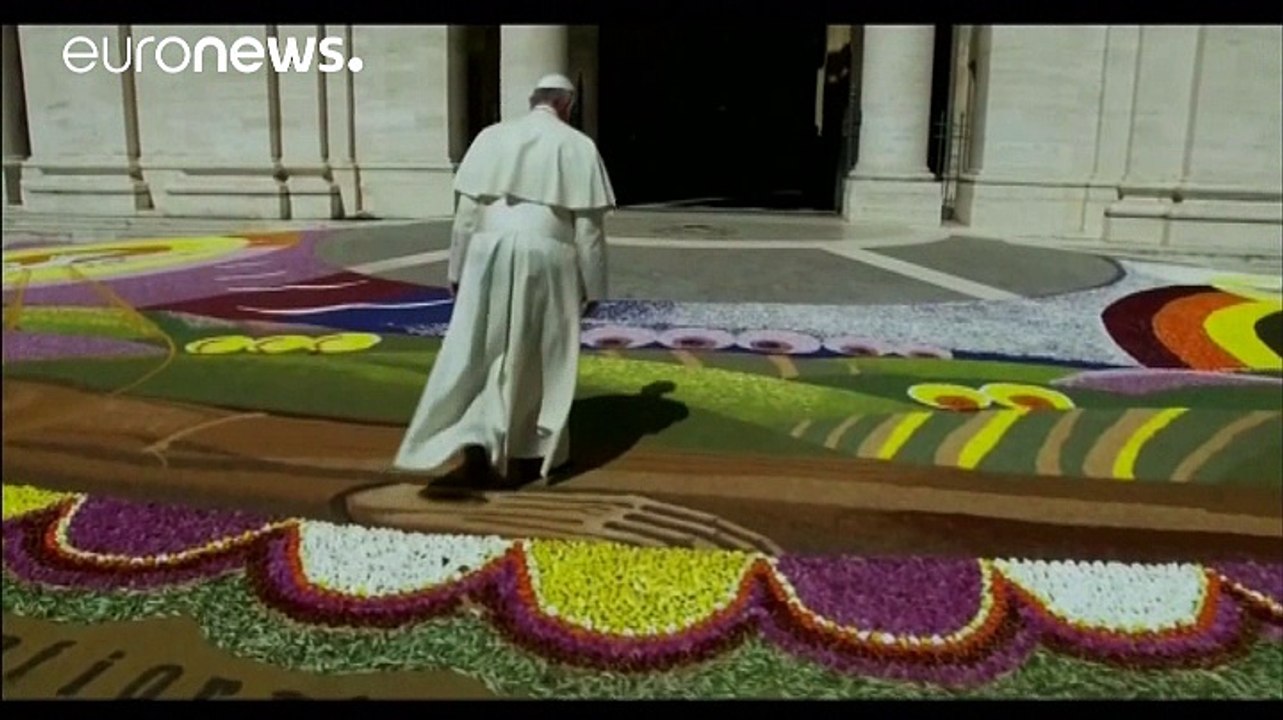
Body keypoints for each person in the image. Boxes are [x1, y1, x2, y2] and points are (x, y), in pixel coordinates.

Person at [394, 73, 615, 488]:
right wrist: (594, 287)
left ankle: (475, 434)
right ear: (567, 104)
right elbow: (588, 232)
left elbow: (466, 218)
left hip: (486, 250)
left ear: (533, 100)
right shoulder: (578, 146)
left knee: (479, 347)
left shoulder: (491, 138)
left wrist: (456, 271)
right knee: (539, 355)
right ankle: (530, 450)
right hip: (549, 254)